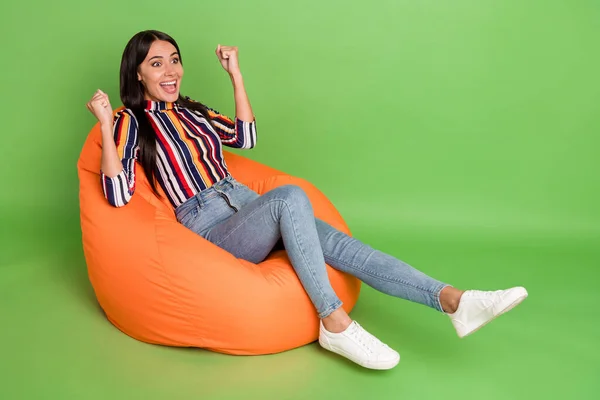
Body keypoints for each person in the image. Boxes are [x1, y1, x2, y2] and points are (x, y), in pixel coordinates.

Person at [86, 30, 528, 370]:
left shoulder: (193, 111)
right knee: (290, 197)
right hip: (210, 225)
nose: (170, 72)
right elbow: (117, 192)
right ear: (138, 74)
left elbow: (246, 136)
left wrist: (235, 75)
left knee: (346, 248)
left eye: (175, 61)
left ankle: (454, 301)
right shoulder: (131, 122)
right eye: (157, 64)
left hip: (244, 204)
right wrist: (106, 126)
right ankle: (333, 321)